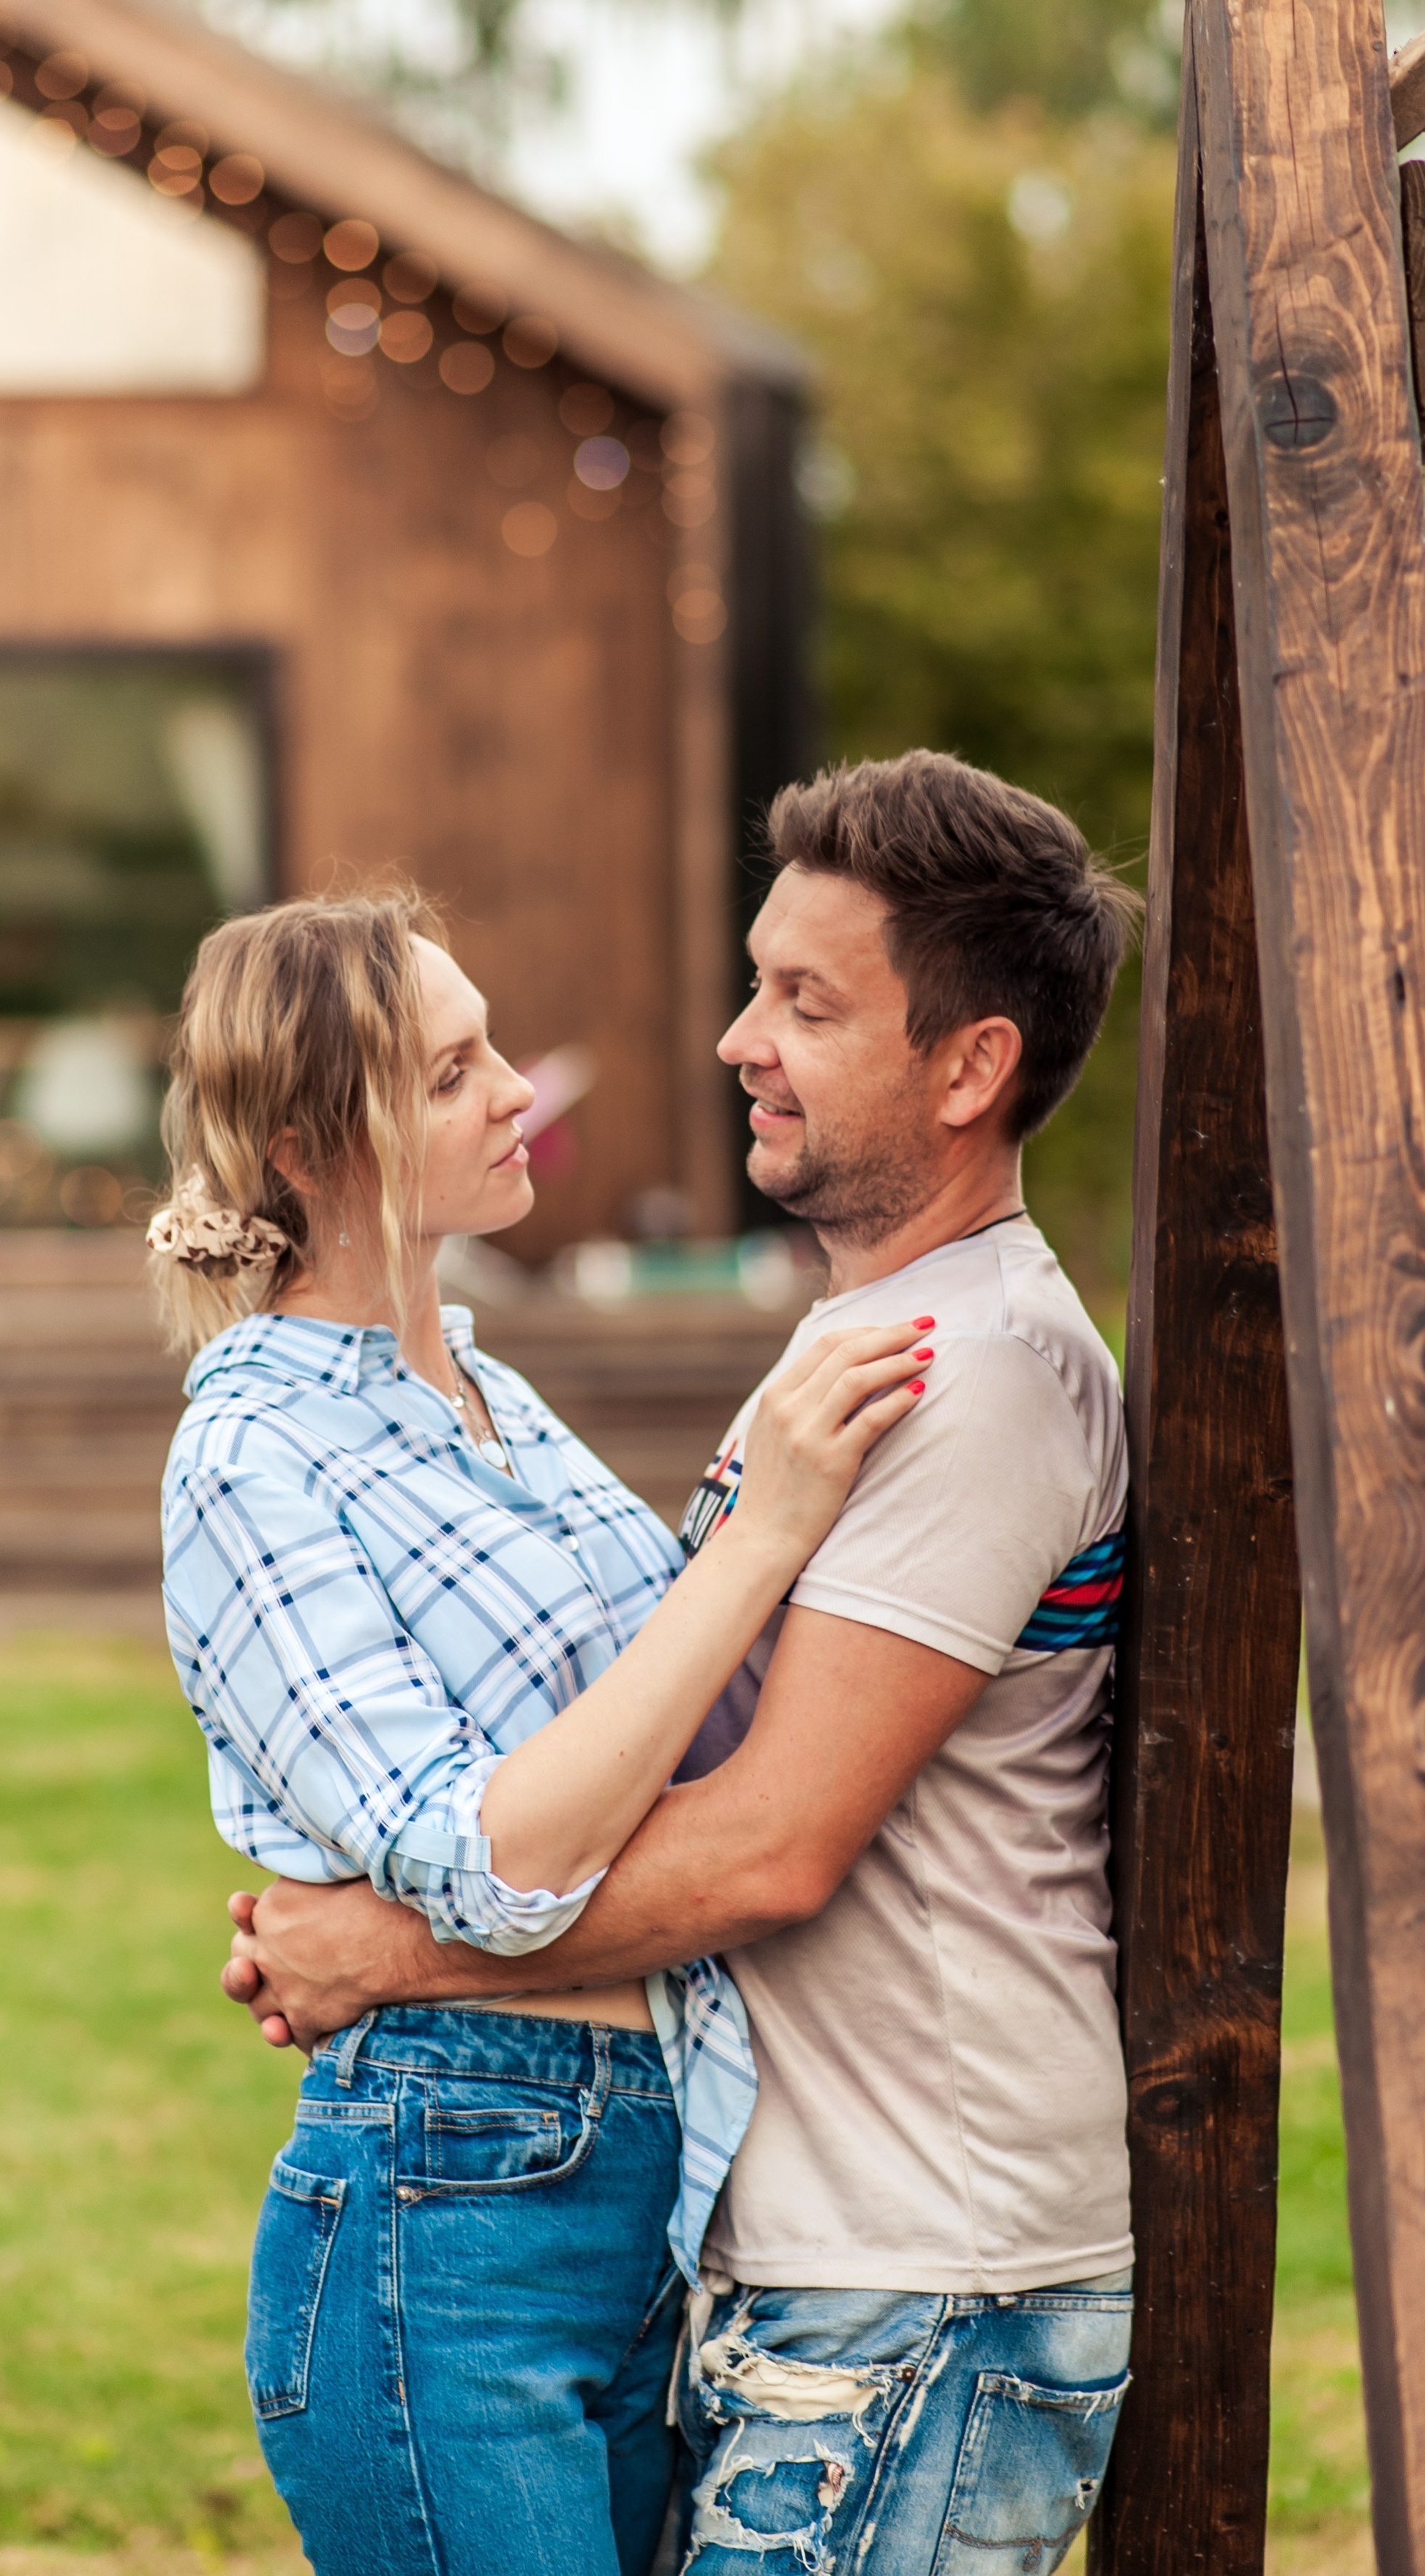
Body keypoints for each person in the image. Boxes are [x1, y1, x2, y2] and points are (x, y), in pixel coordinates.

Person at [222, 752, 1145, 2576]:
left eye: (805, 1001)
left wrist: (385, 1953)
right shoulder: (868, 1337)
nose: (738, 1039)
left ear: (967, 1067)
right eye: (752, 984)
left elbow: (766, 1847)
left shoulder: (968, 1377)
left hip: (923, 2265)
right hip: (832, 2257)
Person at [153, 885, 929, 2576]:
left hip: (654, 2166)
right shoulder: (251, 1454)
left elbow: (683, 1741)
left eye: (487, 1044)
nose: (515, 1089)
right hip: (448, 2210)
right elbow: (496, 1858)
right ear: (307, 1150)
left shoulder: (489, 1398)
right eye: (449, 1074)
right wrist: (762, 1533)